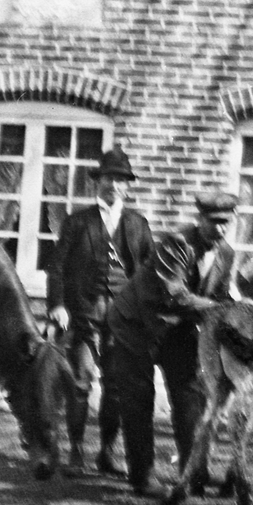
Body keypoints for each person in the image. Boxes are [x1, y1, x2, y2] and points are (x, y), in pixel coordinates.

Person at [103, 189, 240, 500]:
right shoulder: (177, 243)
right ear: (200, 219)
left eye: (226, 222)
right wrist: (219, 310)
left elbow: (220, 297)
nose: (220, 229)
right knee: (139, 399)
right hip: (135, 326)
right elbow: (175, 294)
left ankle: (194, 473)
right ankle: (142, 477)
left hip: (176, 330)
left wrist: (237, 310)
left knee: (191, 396)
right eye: (214, 222)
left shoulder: (226, 254)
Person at [46, 147, 153, 477]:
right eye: (108, 178)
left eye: (120, 180)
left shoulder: (137, 225)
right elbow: (57, 268)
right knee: (80, 383)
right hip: (84, 316)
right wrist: (58, 305)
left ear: (127, 187)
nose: (113, 185)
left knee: (116, 386)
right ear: (98, 183)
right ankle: (76, 450)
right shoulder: (78, 222)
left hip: (122, 321)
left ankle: (107, 451)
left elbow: (149, 275)